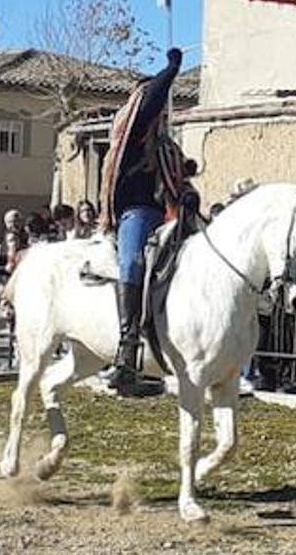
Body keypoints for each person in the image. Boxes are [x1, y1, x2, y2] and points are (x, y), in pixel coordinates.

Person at [99, 48, 185, 396]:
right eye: (155, 110)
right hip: (136, 212)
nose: (159, 115)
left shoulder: (165, 148)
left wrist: (188, 194)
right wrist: (171, 71)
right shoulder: (132, 138)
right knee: (132, 263)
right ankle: (127, 346)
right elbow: (150, 100)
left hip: (169, 214)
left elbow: (178, 181)